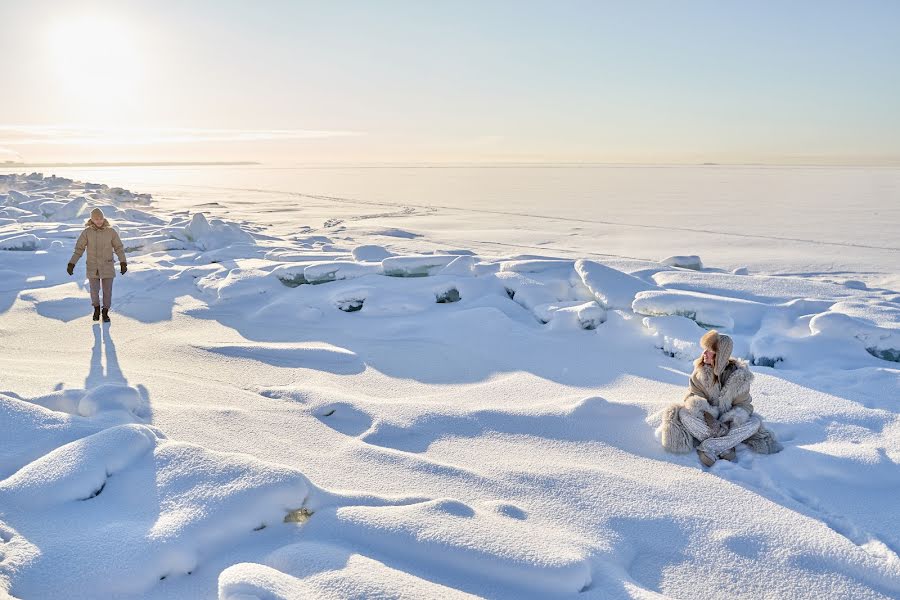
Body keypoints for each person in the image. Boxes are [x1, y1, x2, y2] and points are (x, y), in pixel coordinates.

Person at [659, 330, 781, 466]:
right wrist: (709, 418)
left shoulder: (740, 377)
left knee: (754, 423)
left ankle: (709, 446)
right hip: (706, 423)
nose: (704, 353)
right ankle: (726, 445)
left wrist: (728, 422)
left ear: (720, 355)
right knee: (683, 413)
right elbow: (693, 397)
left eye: (709, 350)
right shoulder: (699, 374)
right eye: (704, 349)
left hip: (728, 426)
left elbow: (744, 405)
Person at [67, 208, 127, 323]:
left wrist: (123, 262)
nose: (99, 221)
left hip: (107, 265)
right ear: (92, 219)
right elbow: (79, 249)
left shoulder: (111, 232)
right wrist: (72, 263)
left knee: (107, 291)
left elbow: (119, 248)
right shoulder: (87, 232)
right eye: (96, 219)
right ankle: (96, 309)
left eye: (100, 218)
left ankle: (105, 312)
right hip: (93, 267)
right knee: (94, 291)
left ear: (103, 218)